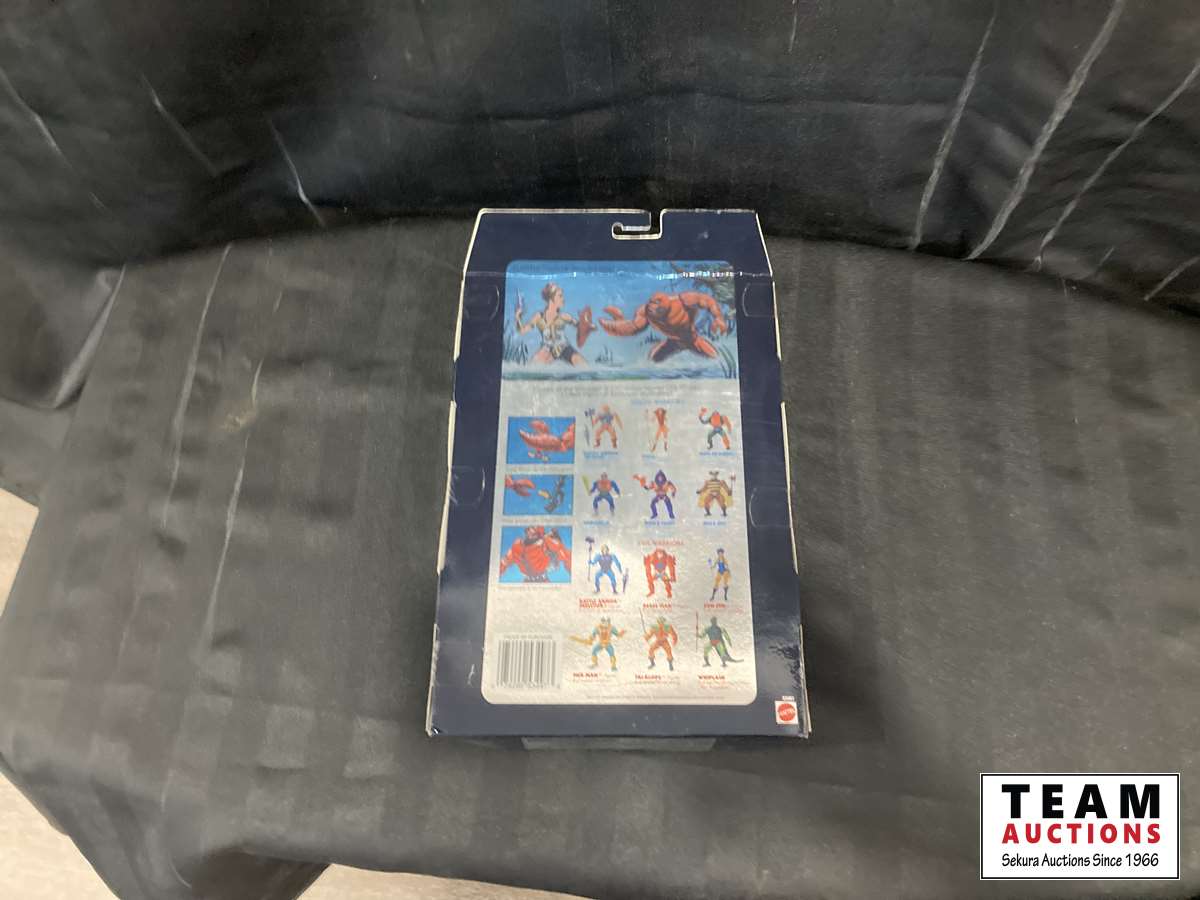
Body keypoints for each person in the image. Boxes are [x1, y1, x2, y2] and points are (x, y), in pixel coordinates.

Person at [514, 282, 591, 366]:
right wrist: (518, 317)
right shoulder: (539, 317)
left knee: (584, 366)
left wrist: (585, 323)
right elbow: (522, 331)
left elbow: (581, 326)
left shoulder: (564, 316)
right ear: (551, 298)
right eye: (560, 296)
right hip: (547, 350)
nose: (563, 299)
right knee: (533, 366)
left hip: (565, 348)